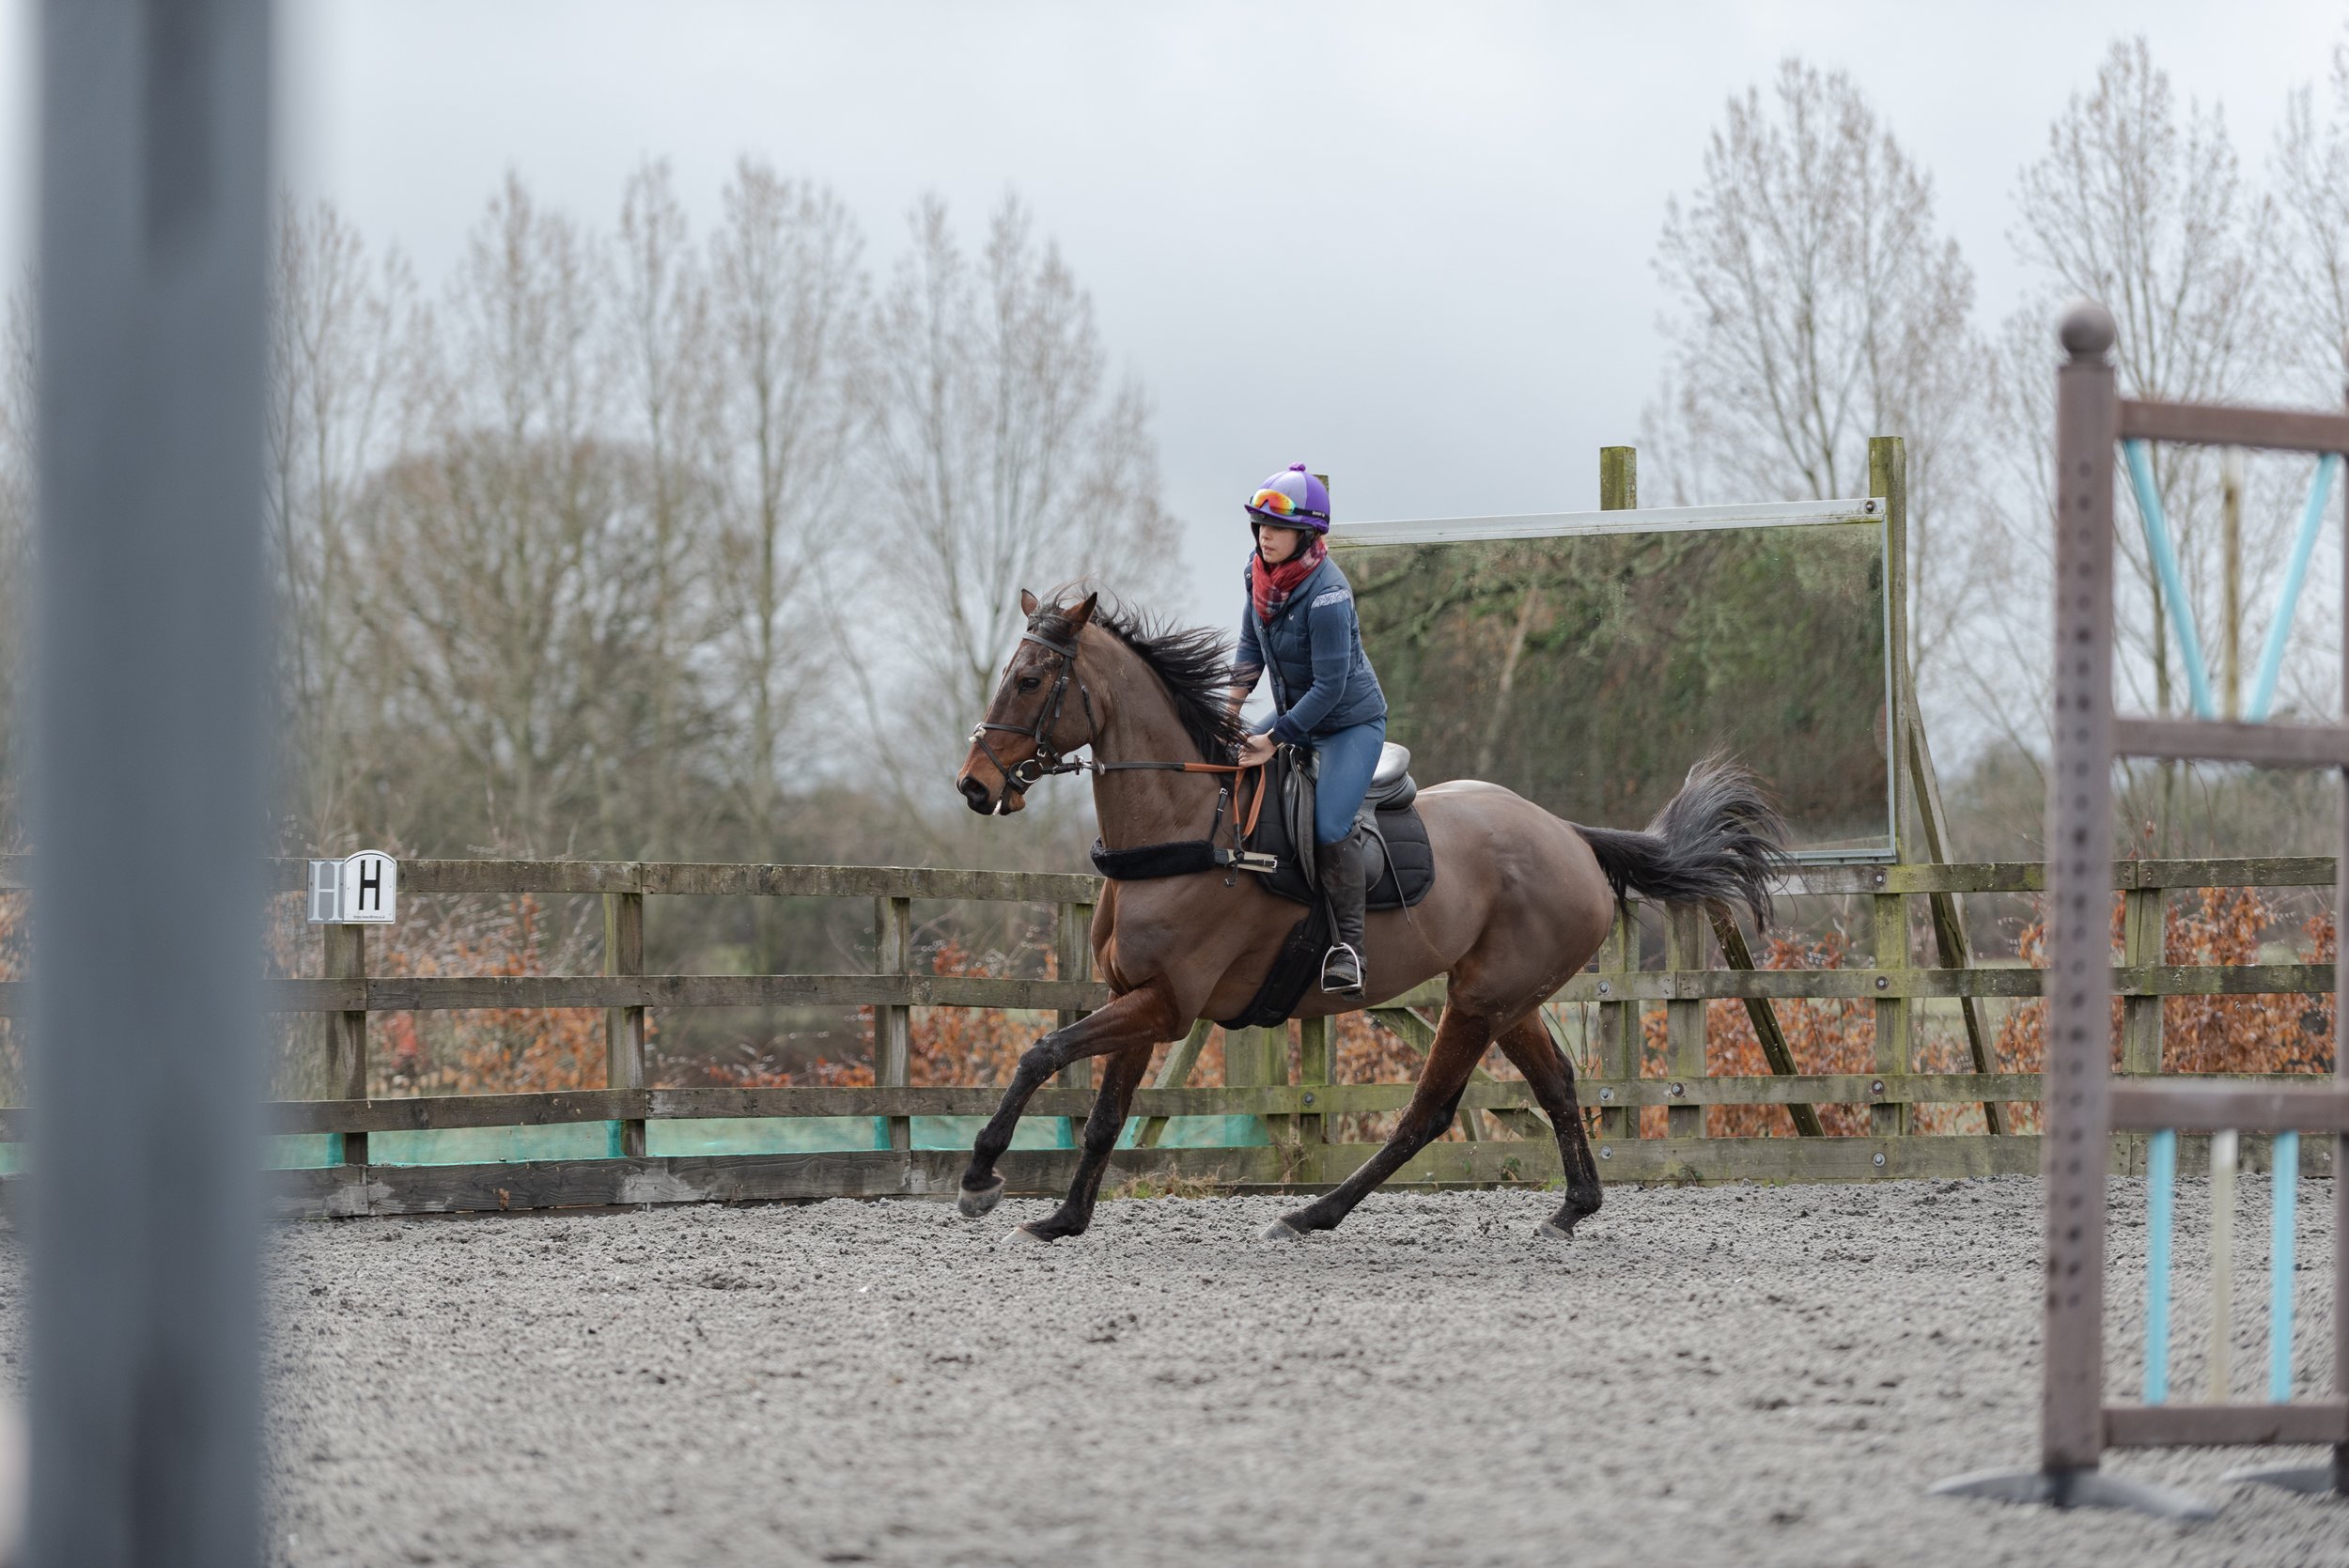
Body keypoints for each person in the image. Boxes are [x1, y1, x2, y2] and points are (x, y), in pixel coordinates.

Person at [1227, 463, 1388, 995]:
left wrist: (1272, 739)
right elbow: (1251, 650)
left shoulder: (1328, 596)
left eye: (1275, 528)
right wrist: (1229, 713)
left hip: (1348, 723)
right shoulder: (1256, 574)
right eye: (1259, 526)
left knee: (1327, 827)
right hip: (1298, 713)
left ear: (1307, 535)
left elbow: (1331, 689)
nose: (1264, 535)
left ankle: (1351, 952)